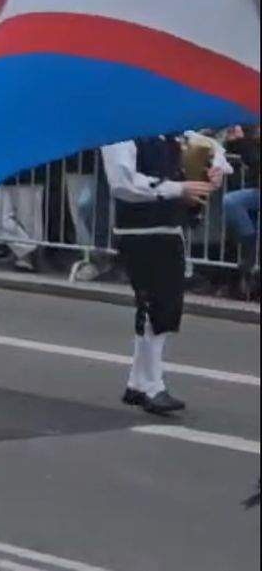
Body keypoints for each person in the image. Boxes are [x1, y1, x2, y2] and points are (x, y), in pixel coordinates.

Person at [101, 133, 224, 416]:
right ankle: (152, 386)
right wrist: (176, 188)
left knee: (164, 305)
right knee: (154, 304)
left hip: (168, 227)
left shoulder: (168, 130)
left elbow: (210, 145)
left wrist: (214, 166)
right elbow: (122, 183)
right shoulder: (120, 134)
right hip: (139, 229)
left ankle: (137, 382)